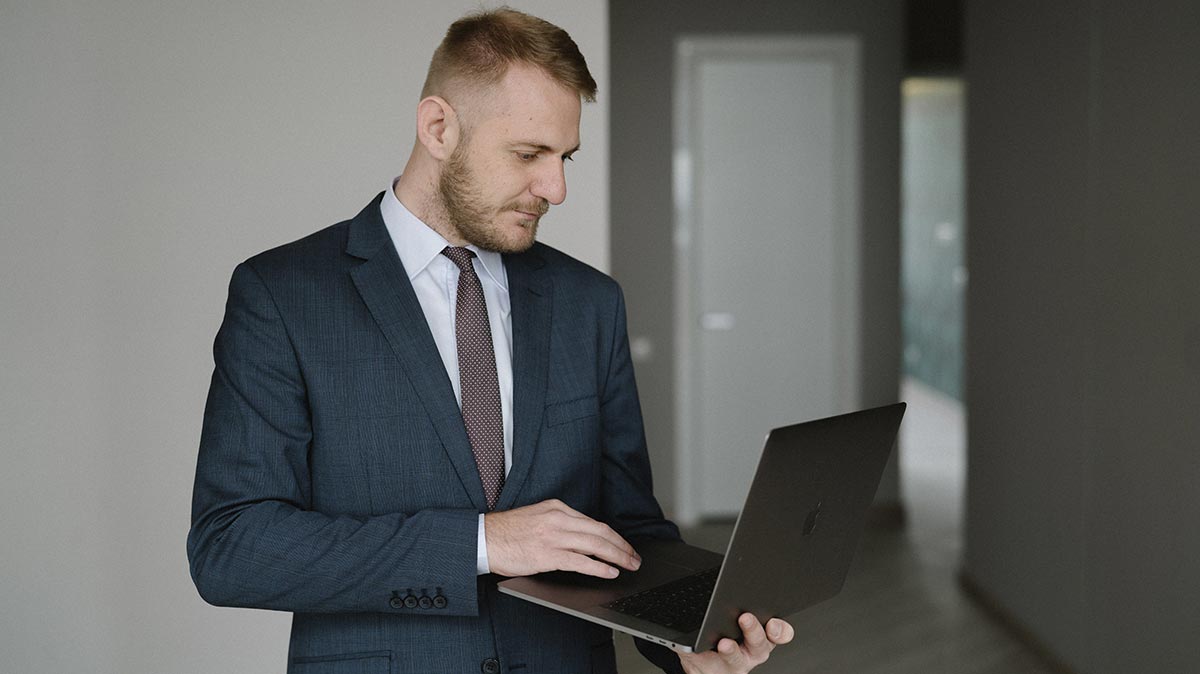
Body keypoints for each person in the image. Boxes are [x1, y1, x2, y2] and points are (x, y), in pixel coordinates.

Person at [187, 8, 793, 674]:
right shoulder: (282, 295)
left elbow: (630, 533)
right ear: (439, 127)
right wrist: (479, 543)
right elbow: (231, 548)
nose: (555, 188)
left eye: (565, 157)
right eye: (529, 153)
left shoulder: (591, 302)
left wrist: (688, 642)